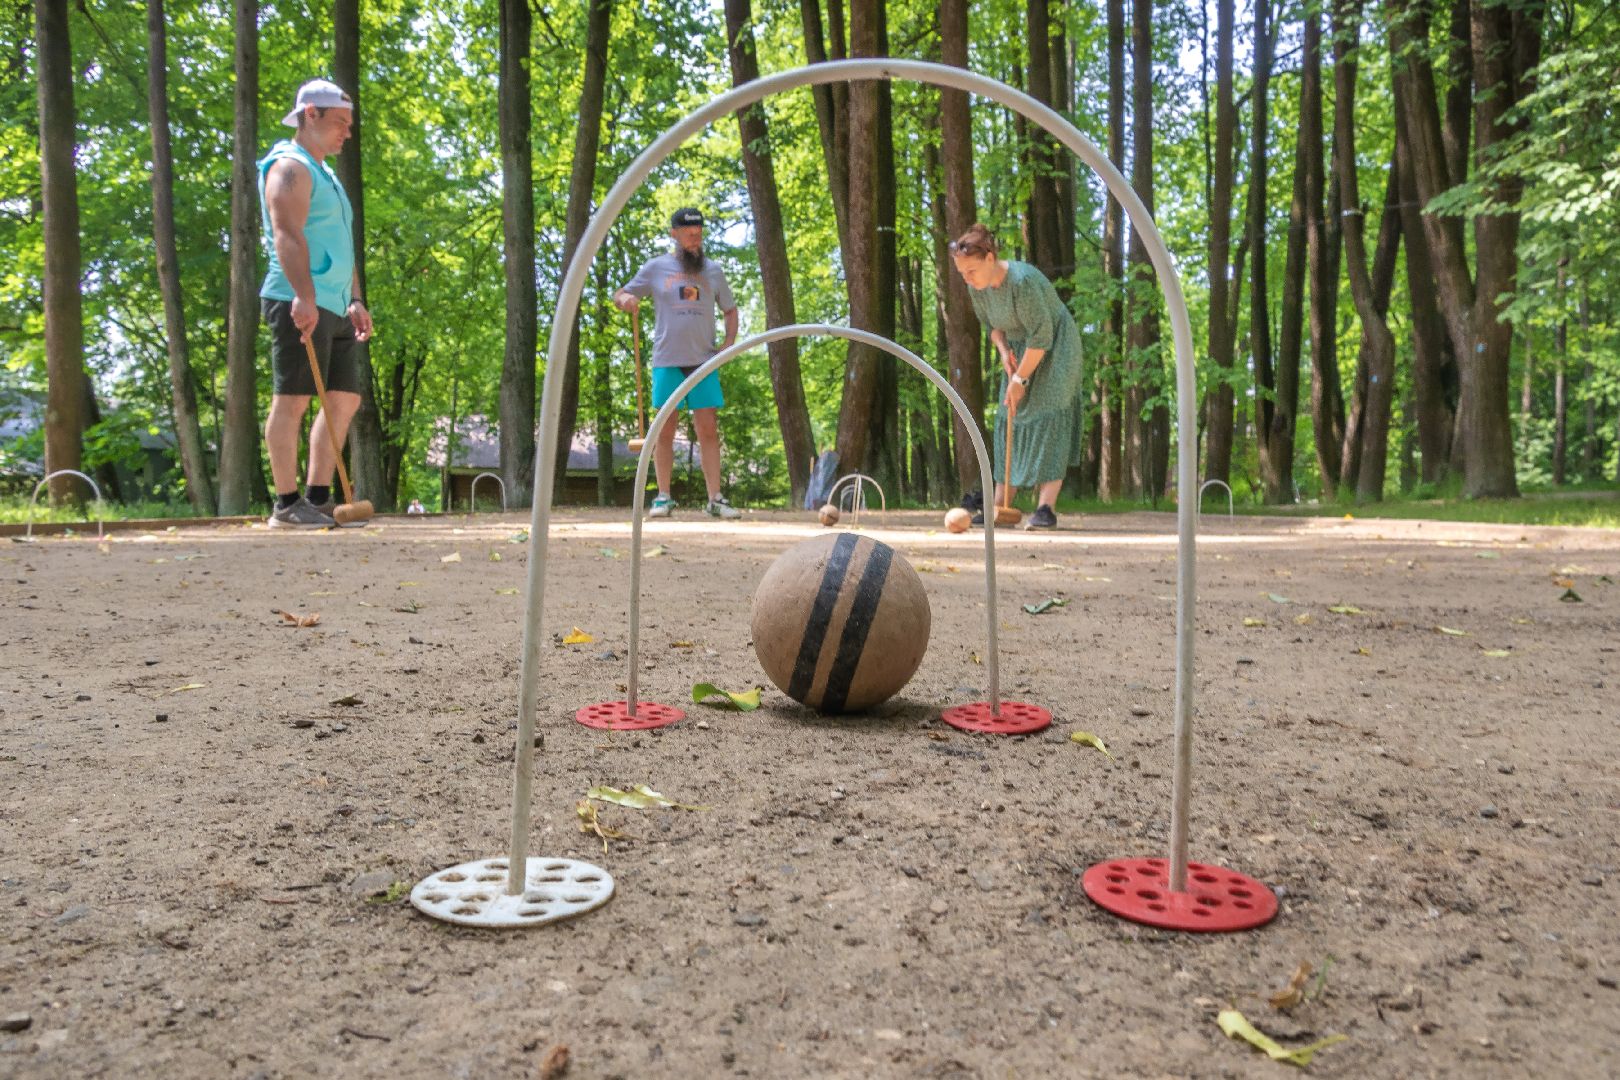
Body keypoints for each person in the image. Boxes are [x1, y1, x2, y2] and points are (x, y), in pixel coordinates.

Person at [257, 79, 374, 529]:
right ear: (310, 115)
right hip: (297, 298)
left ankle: (318, 498)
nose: (348, 132)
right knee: (293, 400)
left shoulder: (327, 176)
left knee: (344, 399)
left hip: (336, 304)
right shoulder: (289, 167)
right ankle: (286, 504)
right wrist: (304, 296)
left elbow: (341, 243)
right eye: (340, 122)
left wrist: (355, 298)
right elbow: (286, 234)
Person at [949, 224, 1083, 529]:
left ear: (990, 258)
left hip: (1055, 346)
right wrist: (1003, 350)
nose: (967, 278)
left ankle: (1045, 508)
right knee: (1009, 414)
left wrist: (1019, 380)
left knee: (1048, 415)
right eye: (962, 273)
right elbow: (994, 328)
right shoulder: (977, 289)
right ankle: (1000, 505)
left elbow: (1042, 336)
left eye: (971, 271)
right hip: (1021, 346)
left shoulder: (1022, 283)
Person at [612, 208, 742, 519]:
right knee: (664, 429)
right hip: (667, 359)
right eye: (688, 233)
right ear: (674, 234)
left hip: (704, 361)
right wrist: (625, 300)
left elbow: (730, 309)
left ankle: (715, 499)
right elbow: (622, 294)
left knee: (708, 428)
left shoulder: (713, 271)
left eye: (699, 233)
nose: (695, 238)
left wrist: (728, 344)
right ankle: (663, 497)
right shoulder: (656, 267)